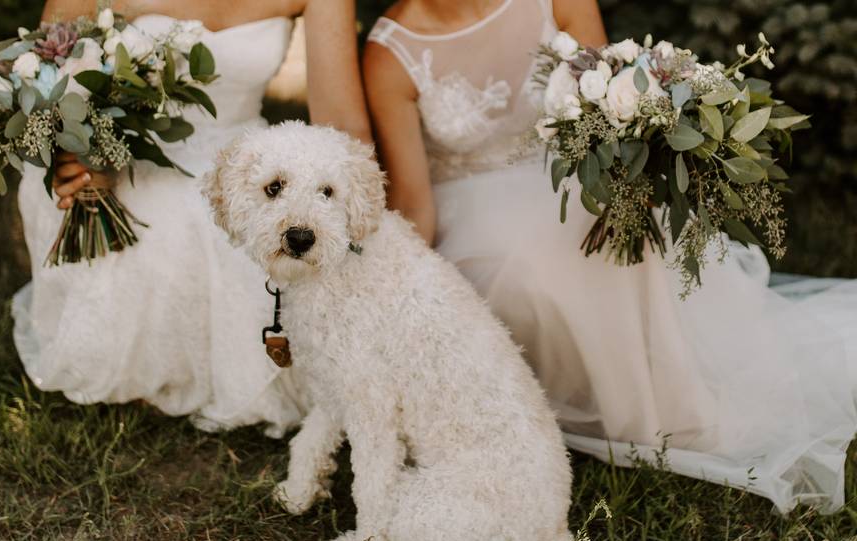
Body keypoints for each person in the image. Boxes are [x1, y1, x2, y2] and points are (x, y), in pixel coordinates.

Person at [364, 0, 857, 513]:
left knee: (632, 229)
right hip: (471, 214)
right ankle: (614, 405)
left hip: (570, 180)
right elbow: (414, 201)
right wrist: (400, 296)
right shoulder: (390, 52)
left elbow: (610, 118)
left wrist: (634, 177)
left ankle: (678, 404)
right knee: (534, 271)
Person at [13, 0, 370, 431]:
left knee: (246, 224)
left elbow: (341, 122)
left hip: (245, 163)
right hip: (124, 157)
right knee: (174, 213)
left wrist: (364, 234)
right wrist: (76, 156)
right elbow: (40, 81)